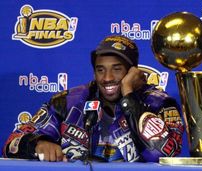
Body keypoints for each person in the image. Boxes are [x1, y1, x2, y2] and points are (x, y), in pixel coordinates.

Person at [3, 35, 184, 162]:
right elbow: (12, 143)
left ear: (133, 71)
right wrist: (37, 144)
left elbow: (160, 154)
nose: (107, 78)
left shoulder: (159, 104)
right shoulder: (68, 102)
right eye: (100, 70)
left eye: (117, 68)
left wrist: (128, 94)